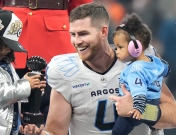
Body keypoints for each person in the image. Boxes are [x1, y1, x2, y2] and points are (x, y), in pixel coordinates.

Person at [19, 2, 176, 135]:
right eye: (72, 34)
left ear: (103, 31)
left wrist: (140, 110)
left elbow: (173, 116)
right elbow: (55, 131)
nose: (76, 41)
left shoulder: (136, 61)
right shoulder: (64, 70)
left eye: (83, 34)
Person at [0, 0, 92, 123]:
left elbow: (81, 5)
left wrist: (81, 31)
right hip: (9, 32)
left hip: (55, 36)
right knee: (5, 114)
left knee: (56, 113)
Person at [111, 13, 171, 135]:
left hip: (136, 107)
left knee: (117, 131)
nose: (116, 51)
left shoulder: (135, 70)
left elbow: (139, 91)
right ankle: (153, 122)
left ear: (135, 47)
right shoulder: (155, 60)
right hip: (155, 103)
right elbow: (166, 69)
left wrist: (138, 109)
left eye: (120, 47)